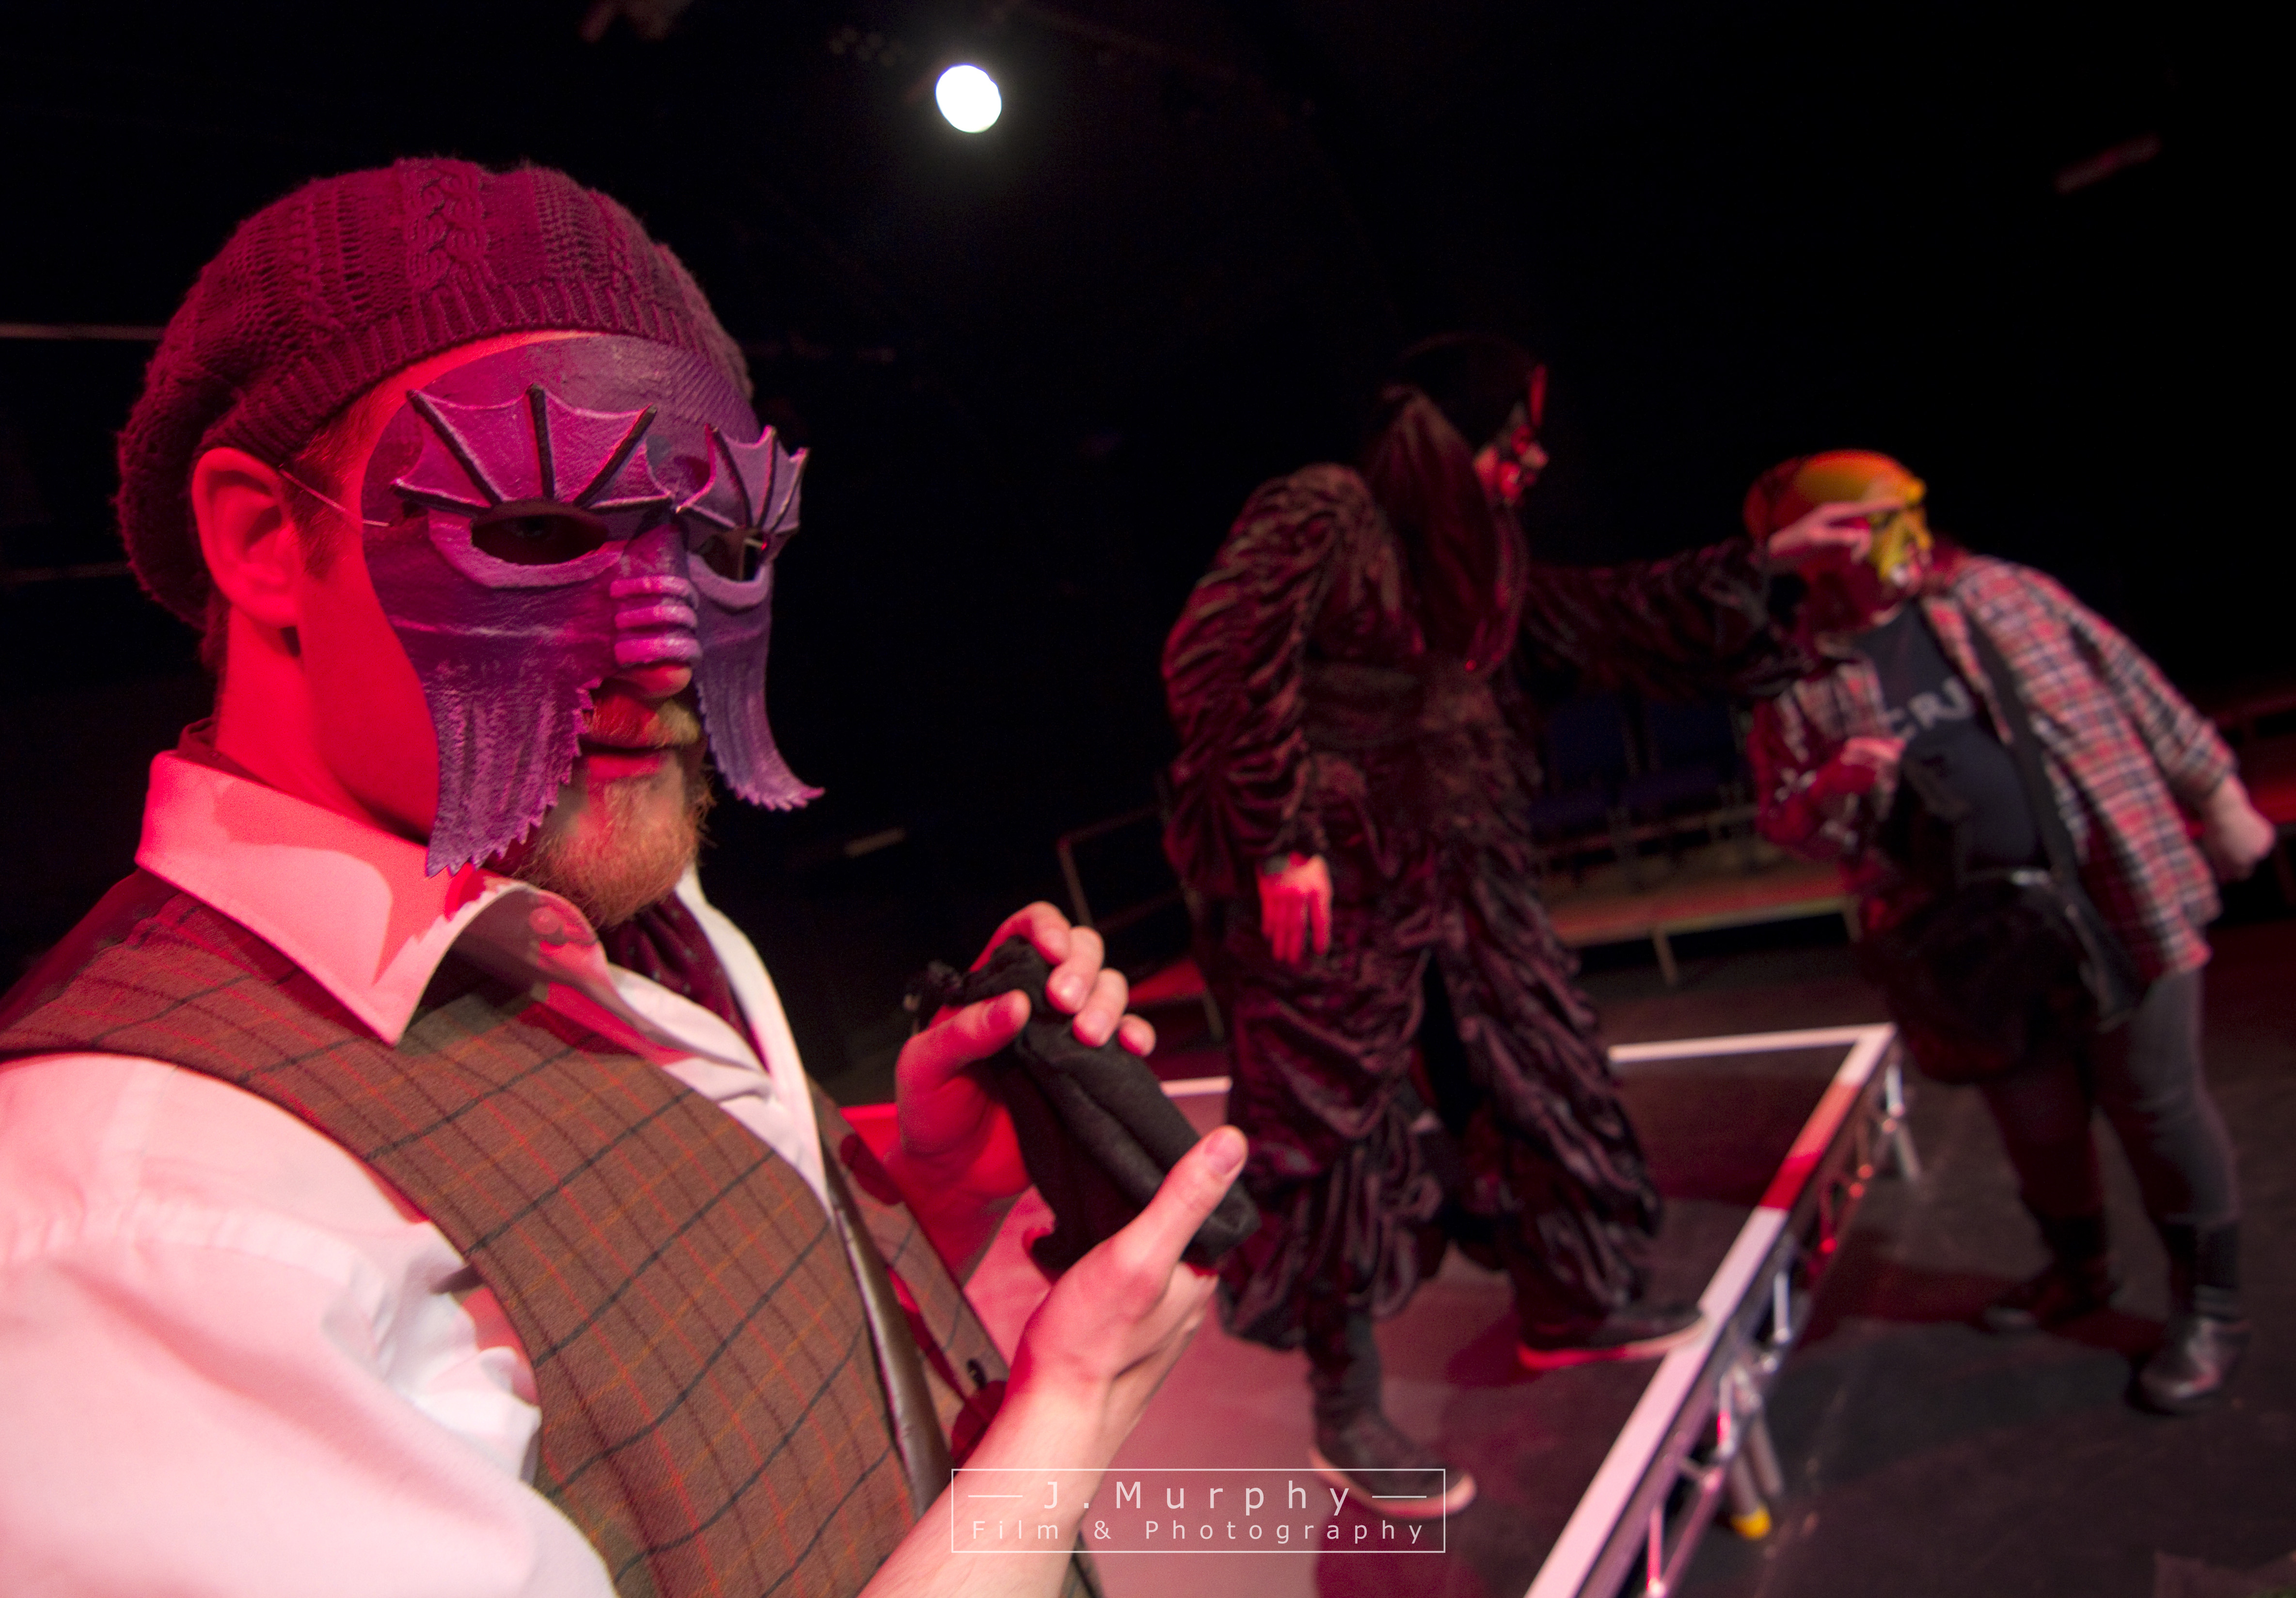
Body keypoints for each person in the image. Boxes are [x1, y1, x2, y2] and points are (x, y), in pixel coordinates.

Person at [0, 159, 1248, 1597]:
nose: (667, 648)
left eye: (724, 545)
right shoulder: (147, 1234)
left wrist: (918, 1197)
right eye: (540, 527)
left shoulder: (628, 914)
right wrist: (1074, 1409)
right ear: (267, 541)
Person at [1159, 335, 1809, 1516]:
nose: (1534, 458)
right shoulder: (1332, 509)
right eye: (1513, 433)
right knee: (1328, 1117)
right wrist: (1279, 839)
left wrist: (1758, 563)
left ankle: (1571, 1296)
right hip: (1340, 872)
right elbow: (1222, 657)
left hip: (1462, 859)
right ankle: (1348, 1407)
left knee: (1528, 1059)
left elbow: (1599, 614)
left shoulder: (1477, 555)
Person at [1744, 449, 2276, 1414]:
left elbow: (2132, 683)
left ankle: (2214, 1309)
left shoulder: (1999, 595)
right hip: (1966, 938)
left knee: (2156, 1102)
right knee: (2036, 1117)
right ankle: (2081, 1269)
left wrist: (2218, 791)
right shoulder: (1800, 671)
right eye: (1871, 523)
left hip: (2111, 887)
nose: (1900, 538)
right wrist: (1827, 789)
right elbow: (1788, 822)